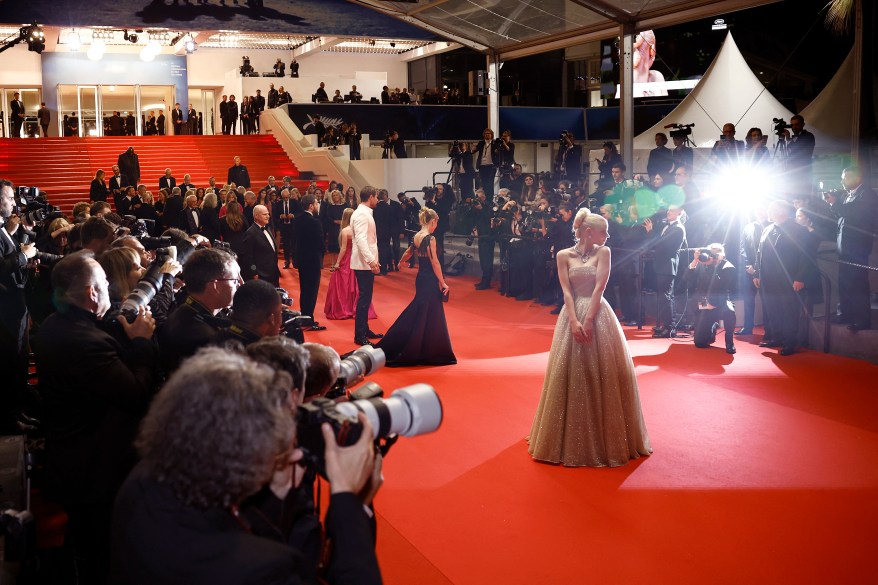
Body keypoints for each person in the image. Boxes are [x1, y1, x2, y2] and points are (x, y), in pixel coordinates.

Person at [109, 347, 382, 585]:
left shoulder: (143, 478)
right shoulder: (262, 568)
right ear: (254, 458)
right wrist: (350, 501)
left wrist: (278, 497)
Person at [33, 251, 158, 582]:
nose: (109, 289)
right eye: (104, 283)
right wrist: (142, 343)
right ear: (91, 293)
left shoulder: (55, 323)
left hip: (73, 453)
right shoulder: (86, 341)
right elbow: (136, 395)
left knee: (86, 540)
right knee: (101, 549)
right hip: (94, 467)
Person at [528, 209, 651, 467]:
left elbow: (600, 287)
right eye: (603, 231)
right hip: (570, 315)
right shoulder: (564, 255)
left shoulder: (603, 252)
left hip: (599, 314)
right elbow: (566, 291)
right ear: (588, 232)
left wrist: (590, 319)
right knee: (570, 372)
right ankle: (564, 437)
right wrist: (573, 320)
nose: (607, 236)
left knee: (602, 373)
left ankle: (606, 438)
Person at [376, 208, 456, 367]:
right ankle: (425, 348)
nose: (436, 226)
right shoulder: (430, 238)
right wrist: (443, 282)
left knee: (426, 310)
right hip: (430, 280)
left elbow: (409, 251)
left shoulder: (417, 236)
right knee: (426, 310)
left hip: (421, 278)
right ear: (432, 221)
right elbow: (435, 262)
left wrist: (400, 261)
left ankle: (426, 346)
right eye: (436, 223)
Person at [824, 166, 876, 331]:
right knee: (845, 283)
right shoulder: (847, 195)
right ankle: (846, 314)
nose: (842, 181)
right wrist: (834, 203)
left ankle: (862, 320)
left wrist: (835, 203)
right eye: (842, 178)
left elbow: (855, 215)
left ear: (857, 178)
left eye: (846, 177)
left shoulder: (867, 194)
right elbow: (841, 217)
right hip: (845, 248)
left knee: (858, 285)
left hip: (857, 248)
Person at [754, 200, 809, 355]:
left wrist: (800, 278)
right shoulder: (768, 229)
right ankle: (776, 337)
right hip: (768, 280)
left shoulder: (799, 230)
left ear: (782, 211)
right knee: (773, 310)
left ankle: (791, 342)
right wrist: (757, 273)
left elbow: (806, 257)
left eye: (771, 209)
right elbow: (759, 253)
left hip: (789, 279)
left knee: (789, 311)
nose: (768, 212)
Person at [325, 208, 378, 321]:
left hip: (347, 260)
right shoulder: (357, 229)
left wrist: (337, 263)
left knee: (344, 285)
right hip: (358, 258)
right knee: (357, 285)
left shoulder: (345, 231)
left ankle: (344, 308)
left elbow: (343, 249)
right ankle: (356, 309)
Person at [686, 243, 737, 354]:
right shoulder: (702, 263)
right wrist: (695, 261)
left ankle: (729, 342)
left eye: (716, 253)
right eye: (711, 252)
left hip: (721, 302)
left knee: (730, 312)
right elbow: (687, 279)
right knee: (700, 343)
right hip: (704, 302)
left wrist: (711, 267)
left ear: (722, 255)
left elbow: (719, 286)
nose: (712, 256)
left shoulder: (728, 267)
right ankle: (713, 326)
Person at [350, 186, 383, 346]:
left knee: (366, 298)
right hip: (363, 263)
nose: (377, 200)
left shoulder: (362, 212)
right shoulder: (362, 214)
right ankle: (359, 335)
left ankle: (365, 329)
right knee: (364, 299)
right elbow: (362, 240)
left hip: (364, 262)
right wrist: (371, 260)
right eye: (376, 197)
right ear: (370, 197)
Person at [294, 195, 326, 329]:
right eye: (317, 203)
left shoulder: (296, 220)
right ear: (311, 206)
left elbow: (294, 240)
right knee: (311, 292)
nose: (318, 206)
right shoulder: (314, 222)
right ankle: (309, 320)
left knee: (304, 290)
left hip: (301, 260)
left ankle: (304, 317)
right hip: (312, 261)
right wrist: (321, 255)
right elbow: (320, 243)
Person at [241, 204, 281, 286]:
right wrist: (254, 272)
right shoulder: (250, 233)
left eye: (268, 214)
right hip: (261, 275)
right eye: (264, 214)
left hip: (273, 272)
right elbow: (248, 256)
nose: (268, 216)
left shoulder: (268, 228)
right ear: (256, 216)